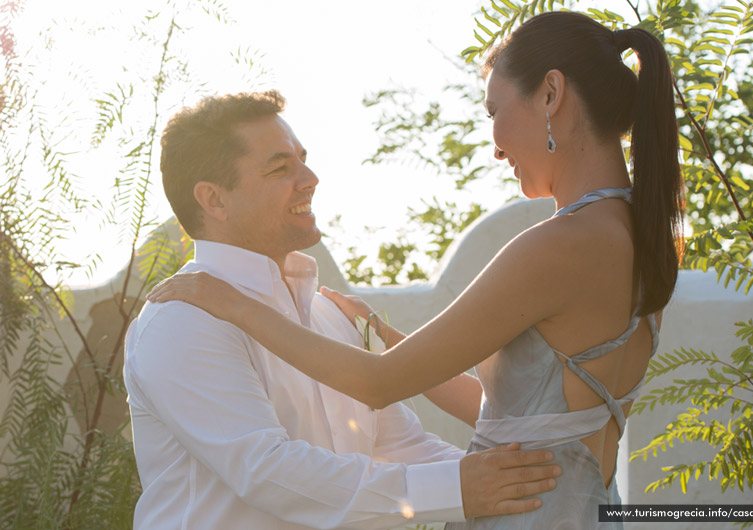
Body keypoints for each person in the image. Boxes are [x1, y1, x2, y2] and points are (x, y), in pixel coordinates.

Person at [148, 11, 684, 529]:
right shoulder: (643, 240)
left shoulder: (559, 245)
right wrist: (382, 335)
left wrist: (233, 303)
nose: (496, 145)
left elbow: (376, 384)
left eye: (494, 111)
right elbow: (515, 416)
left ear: (550, 94)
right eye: (280, 166)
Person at [123, 90, 561, 529]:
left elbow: (400, 446)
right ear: (214, 200)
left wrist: (528, 482)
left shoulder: (331, 316)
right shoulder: (182, 318)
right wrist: (457, 488)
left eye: (302, 159)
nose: (310, 178)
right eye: (280, 167)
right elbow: (267, 472)